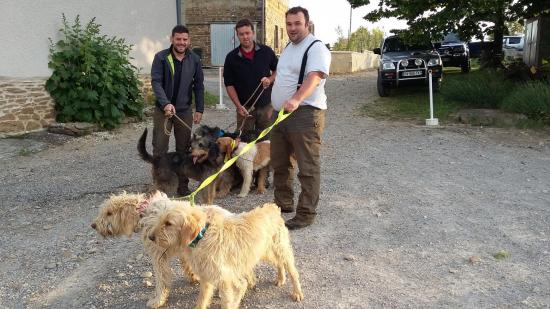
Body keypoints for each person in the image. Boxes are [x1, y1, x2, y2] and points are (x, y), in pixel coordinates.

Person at [270, 6, 331, 230]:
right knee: (280, 163)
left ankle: (305, 213)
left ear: (307, 24)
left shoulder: (316, 48)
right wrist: (274, 105)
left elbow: (314, 77)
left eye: (297, 23)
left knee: (308, 166)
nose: (292, 28)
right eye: (289, 24)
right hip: (281, 115)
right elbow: (284, 74)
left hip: (304, 114)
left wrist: (295, 99)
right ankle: (283, 204)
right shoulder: (288, 47)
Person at [151, 25, 204, 196]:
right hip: (163, 110)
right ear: (172, 39)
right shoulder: (161, 58)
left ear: (188, 41)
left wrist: (199, 108)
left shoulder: (194, 59)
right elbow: (156, 82)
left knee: (184, 150)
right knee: (160, 149)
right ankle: (160, 187)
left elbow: (199, 86)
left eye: (184, 39)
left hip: (184, 110)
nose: (181, 42)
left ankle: (182, 187)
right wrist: (165, 103)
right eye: (178, 39)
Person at [223, 18, 278, 133]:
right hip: (244, 108)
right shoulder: (231, 57)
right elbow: (229, 84)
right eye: (241, 34)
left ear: (253, 33)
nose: (245, 37)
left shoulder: (266, 51)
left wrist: (270, 79)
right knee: (243, 143)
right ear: (237, 35)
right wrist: (238, 106)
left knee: (266, 141)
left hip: (266, 107)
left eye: (247, 33)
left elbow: (279, 70)